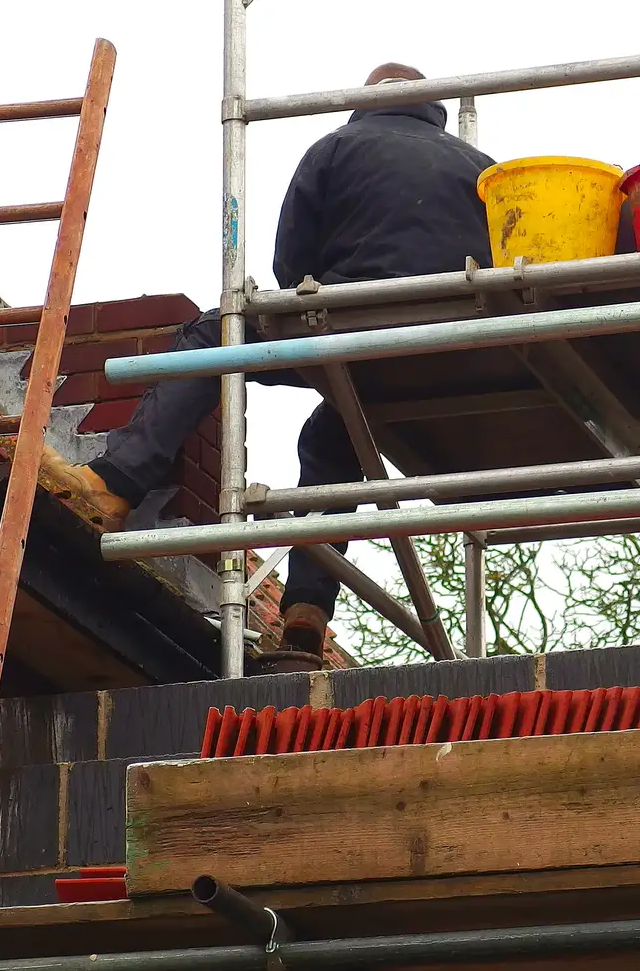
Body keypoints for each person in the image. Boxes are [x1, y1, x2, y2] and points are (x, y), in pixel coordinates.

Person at [56, 63, 495, 671]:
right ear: (434, 111)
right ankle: (307, 610)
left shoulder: (338, 147)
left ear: (362, 102)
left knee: (217, 334)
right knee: (332, 438)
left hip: (353, 326)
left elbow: (293, 270)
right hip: (447, 355)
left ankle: (115, 483)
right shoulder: (483, 170)